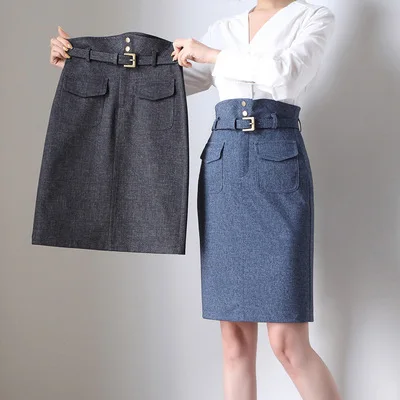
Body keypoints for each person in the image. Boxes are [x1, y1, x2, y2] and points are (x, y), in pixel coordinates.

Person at [49, 1, 342, 399]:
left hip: (278, 167)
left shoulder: (313, 17)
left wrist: (212, 54)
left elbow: (287, 73)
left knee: (287, 344)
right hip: (224, 167)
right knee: (234, 342)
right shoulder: (226, 27)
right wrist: (81, 63)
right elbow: (165, 83)